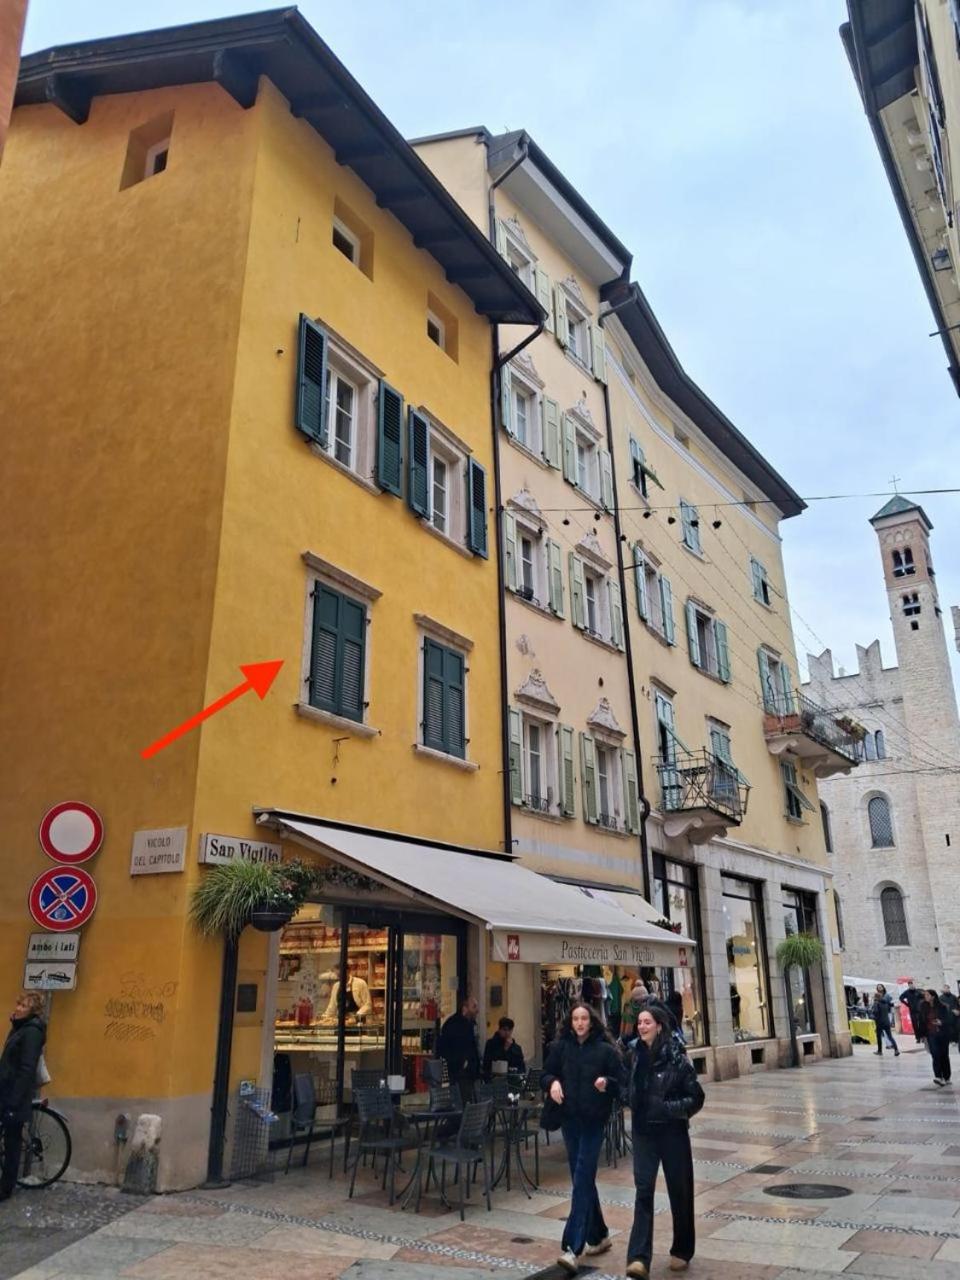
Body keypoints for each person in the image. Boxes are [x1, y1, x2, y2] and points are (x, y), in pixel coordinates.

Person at [541, 1003, 623, 1275]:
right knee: (582, 1178)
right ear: (570, 1021)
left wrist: (606, 1083)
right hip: (569, 1120)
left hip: (593, 1122)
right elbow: (546, 1074)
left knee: (582, 1176)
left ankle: (572, 1247)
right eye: (575, 1018)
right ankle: (599, 1236)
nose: (579, 1023)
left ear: (592, 1021)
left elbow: (622, 1082)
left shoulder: (605, 1050)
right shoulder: (560, 1048)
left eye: (584, 1018)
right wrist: (552, 1083)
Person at [626, 1005, 704, 1278]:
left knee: (680, 1192)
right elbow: (628, 1091)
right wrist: (610, 1087)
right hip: (643, 1133)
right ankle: (638, 1258)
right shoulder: (633, 1056)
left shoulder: (676, 1057)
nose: (642, 1026)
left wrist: (668, 1109)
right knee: (643, 1192)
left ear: (659, 1026)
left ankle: (682, 1249)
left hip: (672, 1134)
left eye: (647, 1022)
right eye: (639, 1022)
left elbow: (696, 1098)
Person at [0, 992, 46, 1200]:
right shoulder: (21, 1028)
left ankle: (6, 1188)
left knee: (12, 1141)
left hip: (14, 1095)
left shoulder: (32, 1032)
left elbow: (27, 1068)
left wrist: (14, 1101)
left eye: (23, 1006)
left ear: (32, 1011)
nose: (17, 1008)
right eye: (18, 1004)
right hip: (6, 1090)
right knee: (10, 1138)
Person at [438, 995, 481, 1098]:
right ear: (465, 1008)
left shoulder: (471, 1024)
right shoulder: (453, 1024)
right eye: (474, 1007)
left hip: (470, 1074)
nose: (477, 1010)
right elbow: (445, 1048)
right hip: (459, 1074)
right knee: (461, 1100)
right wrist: (462, 1063)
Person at [917, 988, 954, 1086]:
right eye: (925, 995)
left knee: (944, 1055)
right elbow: (921, 1021)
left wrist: (941, 1022)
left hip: (943, 1034)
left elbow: (948, 1020)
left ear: (933, 996)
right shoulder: (923, 1006)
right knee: (935, 1055)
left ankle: (947, 1077)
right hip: (931, 1034)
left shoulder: (942, 1006)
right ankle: (938, 1076)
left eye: (927, 995)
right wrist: (921, 1035)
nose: (925, 996)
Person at [871, 984, 900, 1057]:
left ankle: (880, 1051)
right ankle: (896, 1050)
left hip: (879, 1022)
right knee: (890, 1036)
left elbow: (875, 1012)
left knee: (879, 1036)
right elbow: (890, 1006)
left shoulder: (876, 1003)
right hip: (886, 1021)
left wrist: (872, 1015)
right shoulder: (886, 1003)